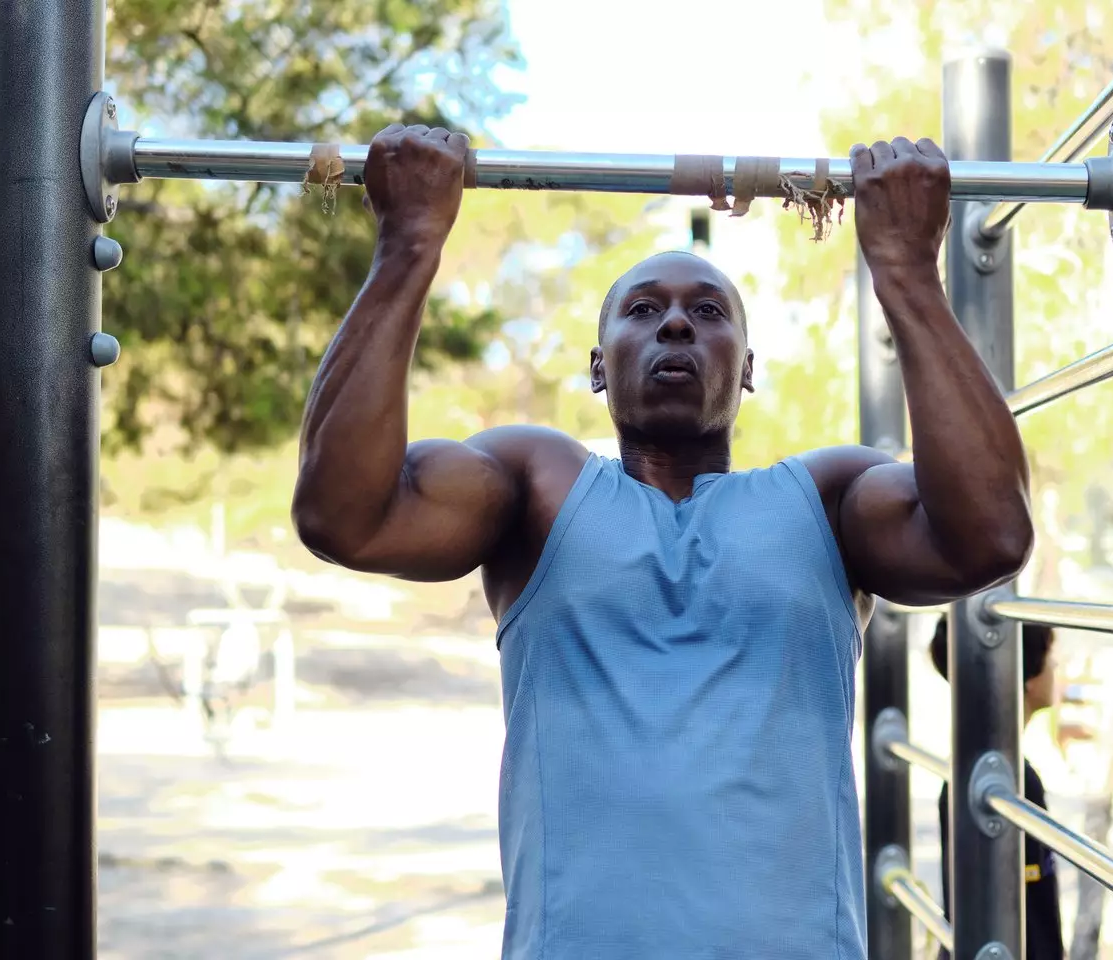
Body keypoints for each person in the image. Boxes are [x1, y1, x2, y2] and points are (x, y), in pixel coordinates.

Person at [292, 123, 1033, 960]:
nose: (675, 324)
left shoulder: (828, 498)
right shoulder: (537, 485)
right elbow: (343, 516)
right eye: (643, 311)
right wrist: (408, 246)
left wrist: (906, 273)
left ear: (746, 369)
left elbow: (990, 537)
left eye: (707, 313)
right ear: (599, 366)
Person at [929, 615, 1064, 960]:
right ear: (1027, 676)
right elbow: (1031, 914)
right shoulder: (1010, 782)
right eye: (1051, 657)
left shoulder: (969, 770)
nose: (1056, 667)